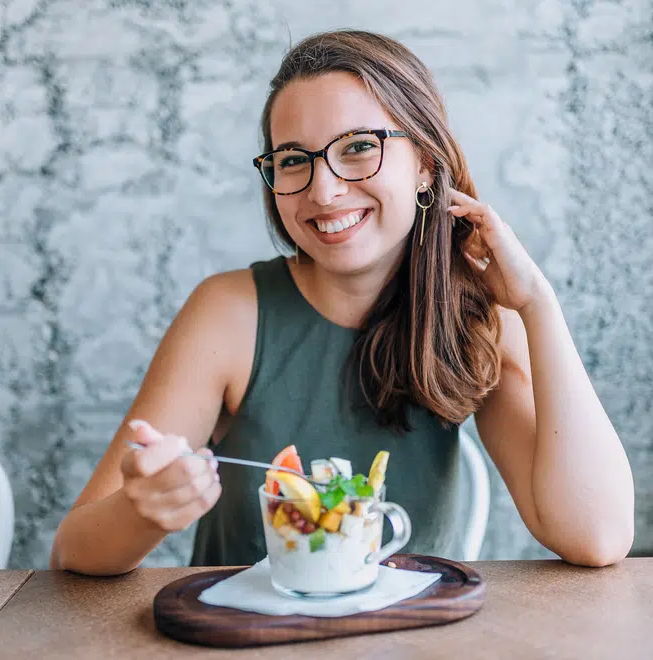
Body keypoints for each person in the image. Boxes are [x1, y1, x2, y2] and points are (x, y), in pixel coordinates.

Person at [50, 30, 634, 575]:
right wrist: (143, 508)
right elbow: (73, 549)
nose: (324, 191)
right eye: (294, 160)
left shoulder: (476, 315)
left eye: (358, 148)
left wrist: (538, 305)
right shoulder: (228, 313)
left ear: (427, 166)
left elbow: (598, 536)